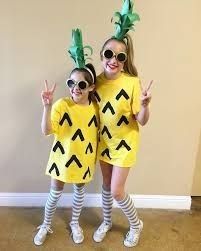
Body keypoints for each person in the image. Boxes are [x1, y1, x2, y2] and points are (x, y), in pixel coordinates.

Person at [93, 0, 153, 248]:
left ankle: (136, 223)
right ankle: (106, 221)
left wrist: (145, 105)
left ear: (125, 59)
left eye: (120, 56)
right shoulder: (95, 82)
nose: (113, 60)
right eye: (109, 54)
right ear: (102, 55)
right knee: (106, 187)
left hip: (125, 144)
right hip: (103, 142)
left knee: (117, 191)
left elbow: (142, 120)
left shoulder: (131, 82)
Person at [33, 29, 98, 246]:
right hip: (62, 157)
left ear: (91, 87)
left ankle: (75, 223)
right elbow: (46, 130)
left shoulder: (95, 108)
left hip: (84, 157)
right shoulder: (62, 105)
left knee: (79, 192)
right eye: (71, 83)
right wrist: (47, 106)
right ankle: (45, 224)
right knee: (55, 193)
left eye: (81, 84)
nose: (75, 88)